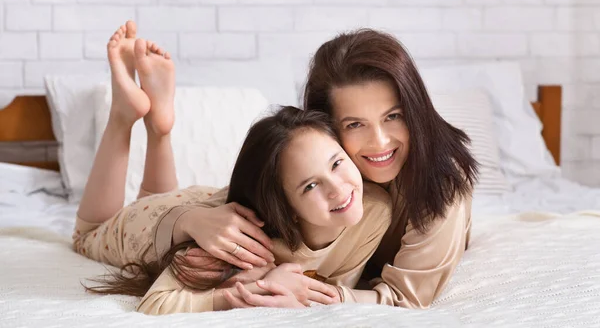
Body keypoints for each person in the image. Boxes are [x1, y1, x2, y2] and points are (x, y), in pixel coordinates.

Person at [73, 21, 392, 314]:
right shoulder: (235, 242)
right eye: (310, 186)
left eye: (337, 163)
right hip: (152, 223)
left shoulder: (375, 210)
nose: (338, 189)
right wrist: (247, 291)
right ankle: (121, 117)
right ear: (286, 207)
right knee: (86, 235)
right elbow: (156, 303)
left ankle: (160, 128)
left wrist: (288, 285)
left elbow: (334, 289)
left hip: (200, 200)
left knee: (162, 195)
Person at [166, 29, 478, 309]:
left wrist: (310, 295)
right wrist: (189, 220)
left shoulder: (442, 183)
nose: (380, 141)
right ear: (325, 126)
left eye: (393, 116)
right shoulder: (323, 171)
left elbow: (404, 298)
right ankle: (157, 133)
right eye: (355, 124)